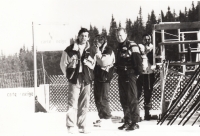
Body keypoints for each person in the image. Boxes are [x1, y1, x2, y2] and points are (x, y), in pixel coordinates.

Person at [60, 28, 96, 134]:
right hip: (74, 78)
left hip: (86, 78)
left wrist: (88, 66)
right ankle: (70, 125)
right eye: (82, 35)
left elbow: (93, 64)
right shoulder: (70, 49)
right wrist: (69, 76)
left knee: (84, 103)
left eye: (86, 36)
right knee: (72, 103)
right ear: (78, 36)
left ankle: (82, 125)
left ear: (88, 37)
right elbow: (63, 64)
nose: (83, 38)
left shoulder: (91, 50)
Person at [115, 27, 143, 131]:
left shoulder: (131, 45)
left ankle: (135, 122)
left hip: (130, 74)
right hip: (122, 75)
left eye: (121, 35)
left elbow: (137, 60)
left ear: (126, 35)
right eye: (117, 35)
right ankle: (127, 121)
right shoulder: (119, 46)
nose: (119, 37)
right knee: (124, 99)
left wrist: (137, 74)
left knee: (132, 98)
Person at [92, 35, 115, 127]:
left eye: (99, 42)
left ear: (103, 42)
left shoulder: (108, 50)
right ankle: (102, 117)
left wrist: (97, 54)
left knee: (104, 97)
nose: (97, 44)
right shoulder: (98, 50)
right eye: (96, 42)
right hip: (97, 75)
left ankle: (107, 117)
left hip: (105, 76)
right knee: (97, 97)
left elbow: (103, 62)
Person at [137, 34, 158, 120]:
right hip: (141, 73)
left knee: (148, 94)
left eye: (148, 39)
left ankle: (147, 113)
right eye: (145, 39)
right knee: (137, 93)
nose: (147, 41)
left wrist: (151, 51)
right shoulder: (139, 46)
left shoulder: (153, 47)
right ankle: (136, 114)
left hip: (149, 73)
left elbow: (155, 58)